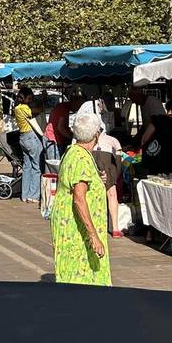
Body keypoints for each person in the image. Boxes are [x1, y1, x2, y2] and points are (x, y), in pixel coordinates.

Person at [49, 113, 110, 286]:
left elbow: (79, 182)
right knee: (80, 275)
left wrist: (98, 180)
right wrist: (94, 236)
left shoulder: (74, 152)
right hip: (76, 230)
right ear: (96, 134)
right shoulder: (80, 158)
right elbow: (79, 198)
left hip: (71, 226)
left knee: (74, 272)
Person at [14, 86, 44, 204]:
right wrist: (42, 101)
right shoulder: (24, 108)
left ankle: (24, 194)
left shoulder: (16, 108)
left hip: (22, 138)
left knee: (27, 167)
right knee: (36, 167)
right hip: (31, 137)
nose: (31, 99)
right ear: (25, 97)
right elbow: (37, 111)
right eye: (30, 97)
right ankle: (33, 195)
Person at [45, 94, 81, 159]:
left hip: (55, 138)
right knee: (55, 165)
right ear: (74, 102)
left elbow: (63, 126)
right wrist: (72, 137)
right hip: (53, 139)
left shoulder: (63, 107)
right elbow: (60, 127)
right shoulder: (63, 108)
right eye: (78, 106)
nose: (78, 109)